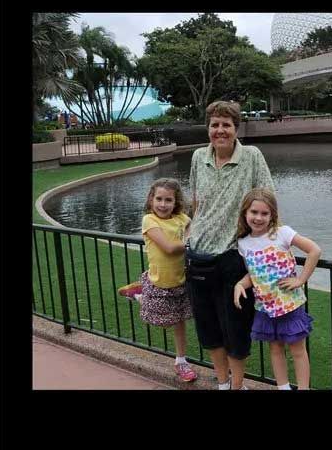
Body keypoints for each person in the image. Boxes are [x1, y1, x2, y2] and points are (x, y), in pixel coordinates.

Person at [186, 100, 274, 390]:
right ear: (208, 128)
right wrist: (188, 234)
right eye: (215, 125)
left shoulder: (251, 156)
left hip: (233, 258)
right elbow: (195, 203)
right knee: (208, 329)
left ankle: (237, 386)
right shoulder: (198, 157)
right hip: (198, 257)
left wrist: (269, 242)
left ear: (236, 128)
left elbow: (268, 202)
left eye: (226, 125)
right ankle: (223, 383)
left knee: (236, 329)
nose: (220, 130)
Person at [233, 188, 321, 390]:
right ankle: (283, 387)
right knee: (275, 349)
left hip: (290, 304)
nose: (258, 218)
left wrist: (301, 280)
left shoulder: (282, 233)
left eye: (264, 213)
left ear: (272, 215)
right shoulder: (243, 243)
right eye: (254, 212)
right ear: (245, 212)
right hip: (265, 308)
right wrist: (240, 284)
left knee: (297, 350)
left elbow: (314, 250)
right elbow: (254, 275)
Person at [119, 178, 198, 382]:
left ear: (176, 201)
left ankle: (181, 361)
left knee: (179, 321)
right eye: (159, 199)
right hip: (160, 281)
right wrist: (189, 242)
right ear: (151, 200)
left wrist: (193, 223)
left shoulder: (181, 218)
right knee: (160, 320)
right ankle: (140, 295)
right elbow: (169, 248)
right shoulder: (149, 220)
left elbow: (193, 224)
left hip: (180, 281)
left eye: (168, 200)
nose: (163, 204)